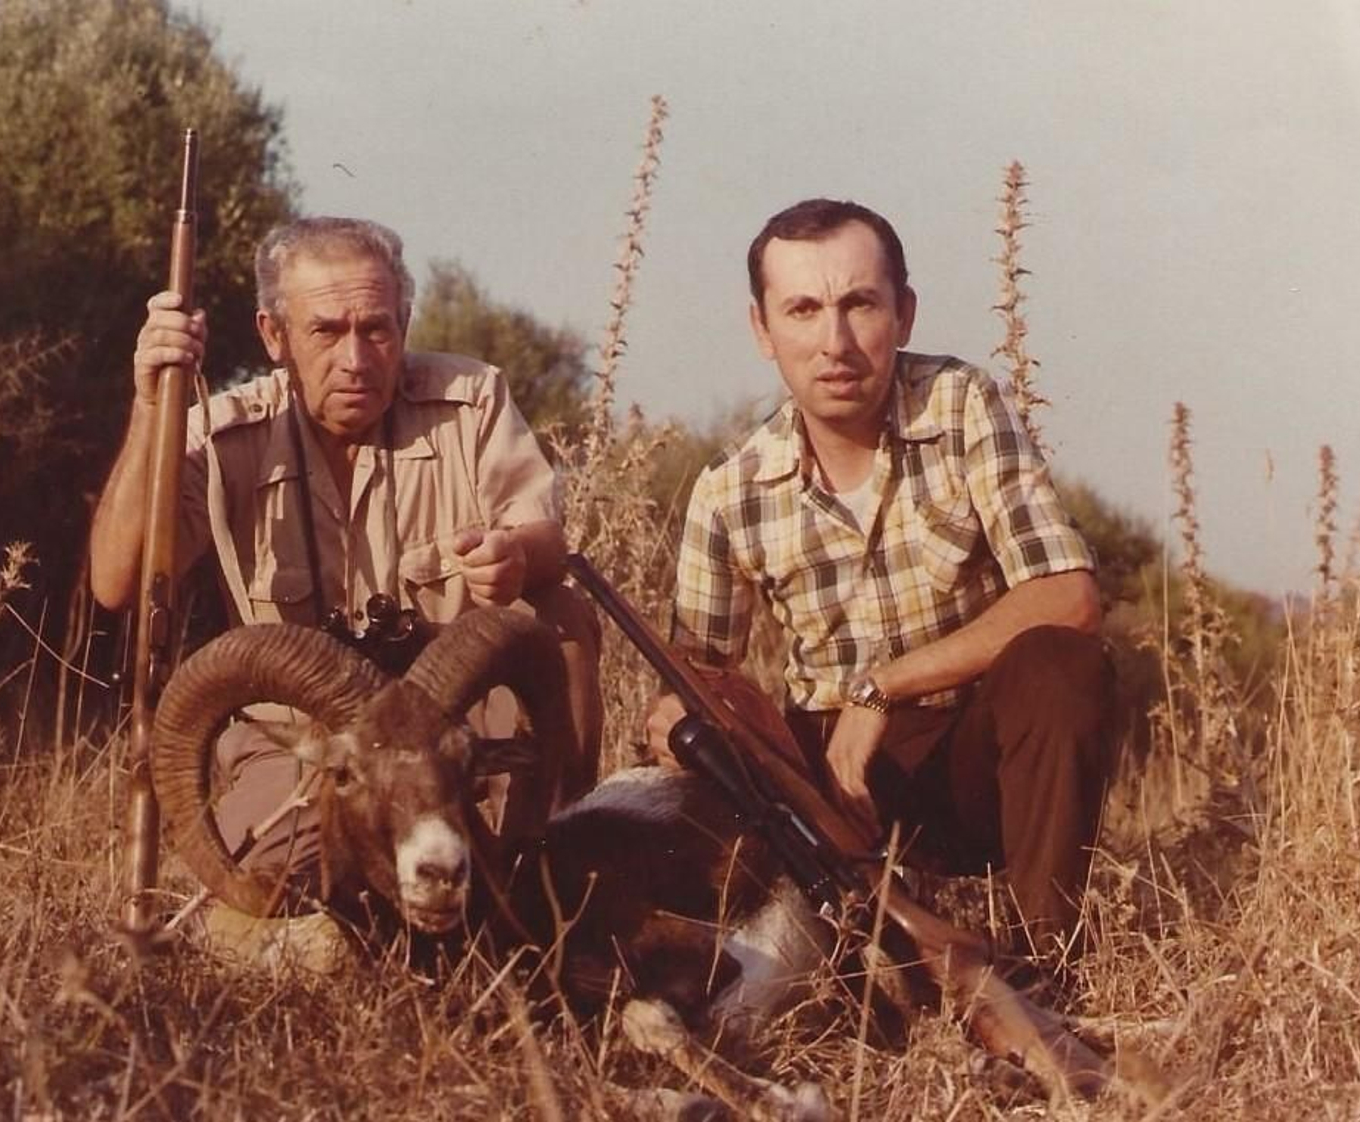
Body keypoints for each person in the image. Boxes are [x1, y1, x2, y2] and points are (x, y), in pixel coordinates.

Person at [90, 216, 602, 953]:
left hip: (453, 740)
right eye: (327, 331)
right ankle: (332, 935)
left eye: (378, 329)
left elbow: (544, 537)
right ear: (274, 334)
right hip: (311, 755)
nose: (357, 358)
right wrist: (150, 407)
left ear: (406, 321)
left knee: (558, 613)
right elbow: (119, 580)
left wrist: (515, 555)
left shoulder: (472, 399)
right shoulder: (223, 432)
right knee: (257, 896)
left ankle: (543, 864)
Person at [646, 198, 1115, 968]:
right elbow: (699, 678)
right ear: (762, 330)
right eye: (802, 310)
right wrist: (677, 723)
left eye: (859, 304)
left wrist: (880, 688)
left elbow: (1069, 597)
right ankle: (768, 953)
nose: (835, 343)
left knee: (1062, 666)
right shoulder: (728, 491)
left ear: (904, 312)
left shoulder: (963, 405)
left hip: (977, 753)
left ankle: (1043, 965)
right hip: (832, 782)